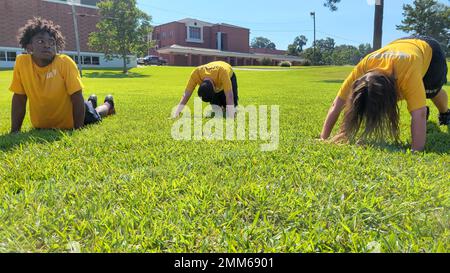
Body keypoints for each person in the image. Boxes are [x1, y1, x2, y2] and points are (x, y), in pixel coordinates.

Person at [320, 36, 449, 152]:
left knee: (431, 92)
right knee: (417, 96)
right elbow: (336, 105)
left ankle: (445, 113)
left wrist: (416, 150)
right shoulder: (362, 68)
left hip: (431, 53)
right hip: (401, 43)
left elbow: (419, 114)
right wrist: (323, 138)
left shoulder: (408, 73)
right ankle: (418, 102)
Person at [9, 17, 116, 133]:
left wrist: (78, 129)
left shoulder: (64, 62)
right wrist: (14, 131)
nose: (47, 45)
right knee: (89, 105)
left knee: (96, 114)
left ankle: (108, 104)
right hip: (41, 124)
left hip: (74, 116)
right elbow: (19, 98)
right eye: (41, 41)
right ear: (29, 47)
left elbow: (76, 96)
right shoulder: (22, 63)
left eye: (51, 42)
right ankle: (91, 101)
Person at [172, 61, 238, 118]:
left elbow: (229, 95)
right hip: (215, 77)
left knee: (230, 106)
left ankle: (228, 107)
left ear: (214, 88)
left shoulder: (222, 72)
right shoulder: (196, 74)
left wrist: (231, 115)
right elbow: (186, 94)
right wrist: (176, 113)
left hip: (228, 73)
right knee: (216, 108)